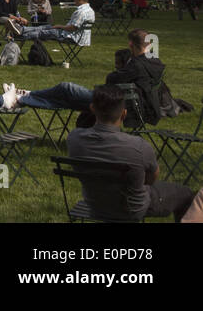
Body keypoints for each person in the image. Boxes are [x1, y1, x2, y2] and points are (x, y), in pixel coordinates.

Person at [66, 85, 198, 222]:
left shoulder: (74, 139)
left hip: (95, 204)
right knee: (186, 194)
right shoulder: (139, 146)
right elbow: (152, 178)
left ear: (92, 109)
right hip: (132, 209)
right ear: (124, 114)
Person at [2, 0, 95, 45]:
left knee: (42, 32)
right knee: (44, 27)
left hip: (71, 37)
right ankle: (21, 30)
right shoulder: (90, 10)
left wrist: (60, 26)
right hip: (79, 36)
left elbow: (73, 27)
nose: (74, 1)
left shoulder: (81, 11)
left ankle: (18, 35)